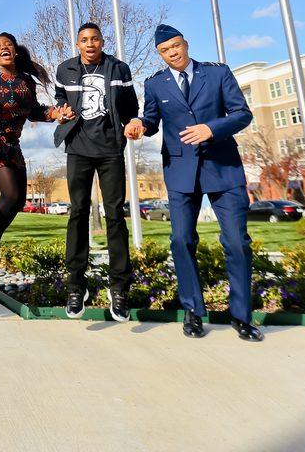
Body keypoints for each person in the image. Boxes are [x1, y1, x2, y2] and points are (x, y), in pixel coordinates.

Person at [124, 24, 262, 342]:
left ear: (185, 44)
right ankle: (193, 311)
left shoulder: (217, 73)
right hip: (180, 172)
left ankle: (241, 316)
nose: (172, 52)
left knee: (236, 242)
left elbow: (242, 114)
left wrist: (211, 129)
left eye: (176, 46)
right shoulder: (155, 83)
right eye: (165, 50)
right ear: (160, 54)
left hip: (223, 169)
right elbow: (151, 120)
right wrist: (137, 125)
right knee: (181, 241)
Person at [0, 32, 73, 287]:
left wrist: (55, 113)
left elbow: (34, 111)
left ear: (16, 51)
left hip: (12, 144)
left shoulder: (26, 81)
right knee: (10, 194)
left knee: (18, 200)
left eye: (8, 44)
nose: (4, 48)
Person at [53, 21, 139, 321]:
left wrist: (132, 123)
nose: (90, 44)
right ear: (78, 44)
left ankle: (119, 289)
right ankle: (76, 285)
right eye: (84, 40)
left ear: (102, 42)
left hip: (110, 150)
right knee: (77, 212)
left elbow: (130, 107)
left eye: (95, 39)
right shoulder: (65, 69)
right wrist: (61, 109)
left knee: (115, 215)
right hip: (77, 148)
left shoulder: (119, 69)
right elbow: (60, 98)